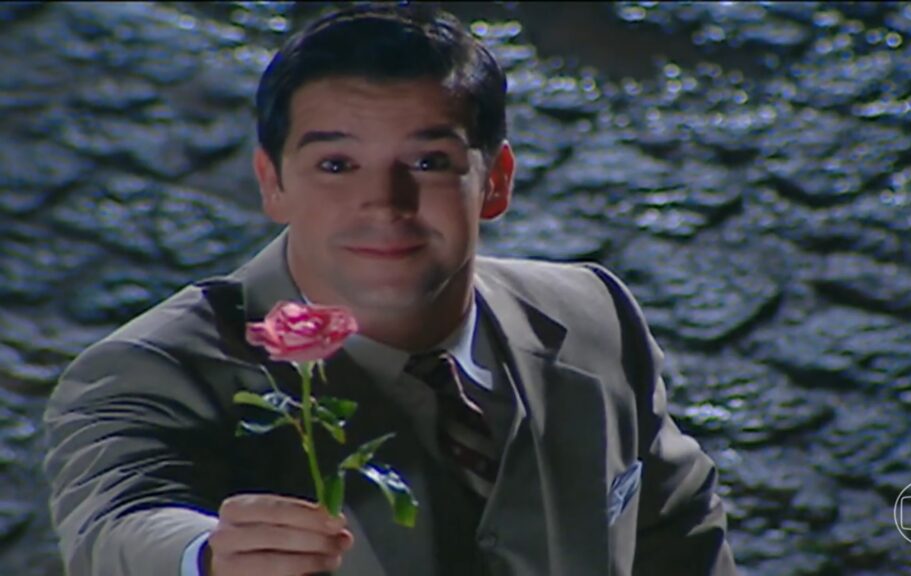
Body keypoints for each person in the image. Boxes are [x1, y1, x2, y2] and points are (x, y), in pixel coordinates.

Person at [43, 4, 737, 576]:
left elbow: (679, 532)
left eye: (428, 161)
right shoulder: (149, 369)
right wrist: (206, 556)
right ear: (272, 183)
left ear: (495, 181)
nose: (384, 202)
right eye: (336, 164)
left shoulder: (593, 315)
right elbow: (118, 524)